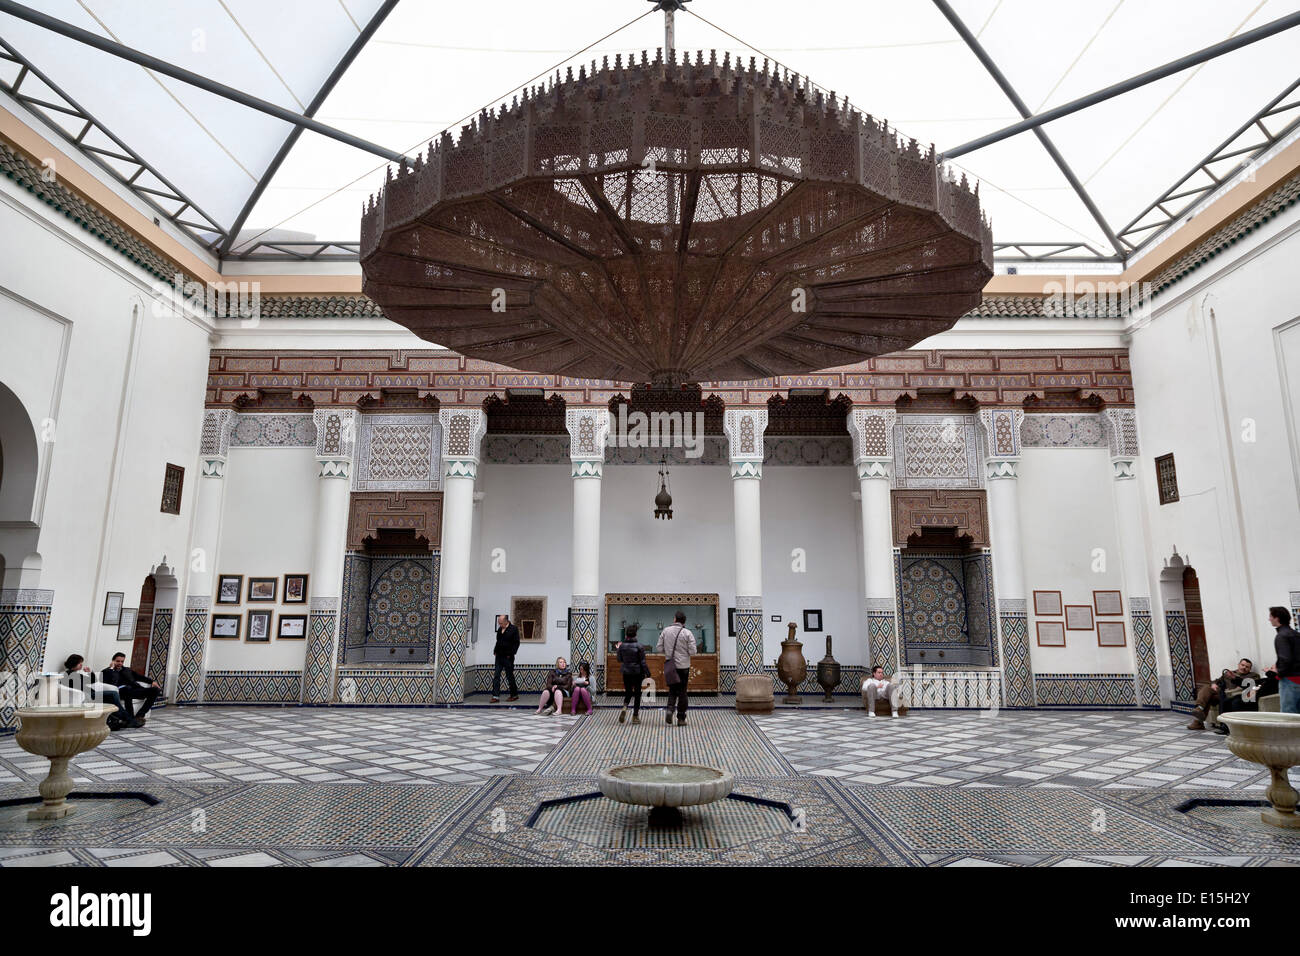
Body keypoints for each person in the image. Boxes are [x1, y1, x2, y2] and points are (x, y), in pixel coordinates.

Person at [1187, 658, 1260, 731]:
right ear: (1238, 665)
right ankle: (1199, 708)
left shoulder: (1253, 676)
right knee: (1207, 689)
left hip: (1233, 696)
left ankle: (1198, 722)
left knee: (1209, 697)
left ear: (1250, 669)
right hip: (1221, 694)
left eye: (1247, 667)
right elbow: (1216, 680)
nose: (1244, 668)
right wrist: (1213, 684)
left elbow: (1252, 686)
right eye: (1242, 665)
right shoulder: (1229, 673)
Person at [62, 654, 129, 729]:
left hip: (91, 693)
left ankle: (122, 719)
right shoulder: (68, 675)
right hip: (88, 695)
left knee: (112, 697)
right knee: (113, 694)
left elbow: (93, 681)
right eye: (79, 663)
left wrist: (90, 672)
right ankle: (126, 718)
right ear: (74, 663)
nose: (81, 665)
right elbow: (75, 687)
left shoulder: (76, 674)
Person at [656, 611, 697, 726]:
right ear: (684, 621)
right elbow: (693, 651)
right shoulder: (688, 633)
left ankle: (670, 710)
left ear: (674, 619)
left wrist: (668, 653)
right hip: (683, 667)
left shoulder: (665, 631)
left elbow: (659, 648)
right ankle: (681, 718)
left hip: (670, 666)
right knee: (683, 692)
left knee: (672, 690)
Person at [100, 652, 161, 727]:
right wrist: (112, 669)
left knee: (155, 690)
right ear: (113, 661)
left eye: (122, 661)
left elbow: (139, 677)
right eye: (117, 661)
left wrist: (151, 681)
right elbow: (112, 682)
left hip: (134, 690)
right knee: (126, 690)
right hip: (120, 692)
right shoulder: (106, 672)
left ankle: (140, 715)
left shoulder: (127, 670)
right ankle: (130, 718)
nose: (120, 663)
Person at [617, 624, 647, 724]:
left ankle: (625, 707)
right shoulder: (639, 646)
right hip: (637, 672)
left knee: (628, 692)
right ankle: (635, 716)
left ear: (626, 634)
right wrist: (647, 672)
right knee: (637, 694)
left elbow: (619, 659)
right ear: (635, 634)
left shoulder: (622, 646)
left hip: (626, 672)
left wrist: (618, 649)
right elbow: (643, 662)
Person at [1272, 606, 1300, 714]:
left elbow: (1285, 659)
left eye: (1271, 616)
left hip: (1289, 680)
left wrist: (1279, 671)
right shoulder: (1296, 634)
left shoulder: (1281, 636)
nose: (1269, 619)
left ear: (1277, 618)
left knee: (1289, 715)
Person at [490, 613, 520, 703]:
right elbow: (498, 641)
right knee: (496, 675)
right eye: (499, 622)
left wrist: (510, 654)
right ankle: (495, 696)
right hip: (499, 656)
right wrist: (495, 650)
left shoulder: (514, 629)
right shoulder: (500, 629)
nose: (499, 624)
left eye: (501, 622)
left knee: (509, 676)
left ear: (506, 621)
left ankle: (514, 695)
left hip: (508, 657)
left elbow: (516, 643)